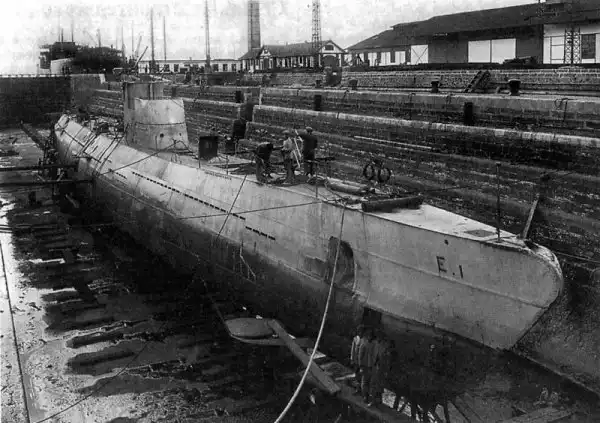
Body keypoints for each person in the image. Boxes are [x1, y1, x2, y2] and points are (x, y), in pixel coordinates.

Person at [369, 332, 391, 407]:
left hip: (381, 369)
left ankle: (376, 401)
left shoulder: (384, 348)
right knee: (374, 384)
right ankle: (375, 401)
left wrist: (386, 371)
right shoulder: (377, 345)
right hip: (376, 368)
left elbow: (386, 360)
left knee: (378, 386)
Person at [358, 328, 374, 403]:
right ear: (367, 336)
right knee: (364, 382)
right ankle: (364, 396)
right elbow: (360, 356)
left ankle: (367, 396)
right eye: (369, 336)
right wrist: (361, 366)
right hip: (364, 366)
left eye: (371, 336)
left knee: (368, 383)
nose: (370, 337)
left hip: (371, 367)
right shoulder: (364, 344)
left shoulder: (373, 345)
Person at [350, 325, 364, 393]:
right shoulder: (355, 338)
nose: (360, 332)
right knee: (356, 374)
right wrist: (352, 359)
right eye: (359, 331)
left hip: (362, 361)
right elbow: (353, 350)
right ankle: (357, 389)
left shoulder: (364, 340)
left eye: (361, 331)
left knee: (361, 375)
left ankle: (361, 389)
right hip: (356, 361)